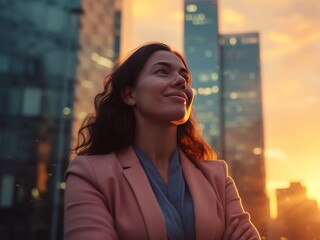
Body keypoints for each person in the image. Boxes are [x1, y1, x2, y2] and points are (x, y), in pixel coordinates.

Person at [64, 42, 260, 240]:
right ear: (130, 94)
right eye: (162, 72)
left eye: (184, 76)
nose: (181, 81)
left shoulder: (217, 177)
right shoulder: (89, 174)